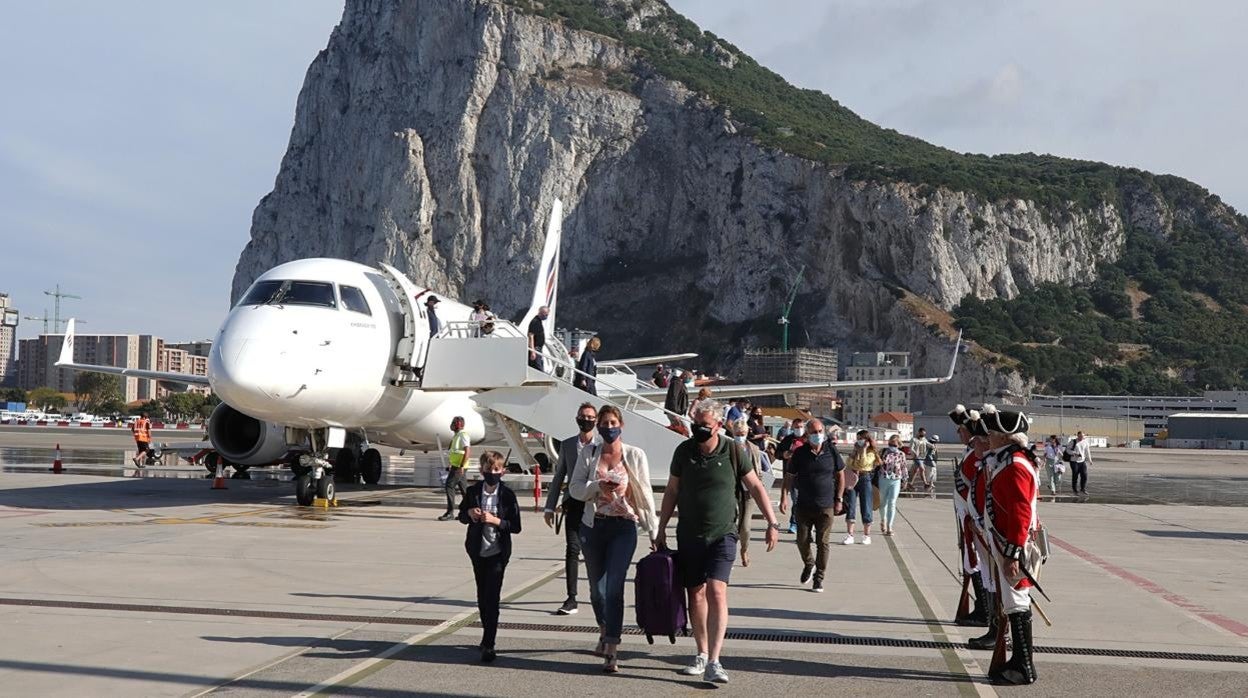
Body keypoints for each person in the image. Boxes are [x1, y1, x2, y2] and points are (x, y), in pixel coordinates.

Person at [658, 400, 780, 684]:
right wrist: (660, 527)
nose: (698, 430)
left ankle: (714, 659)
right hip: (689, 533)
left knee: (716, 590)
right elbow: (672, 490)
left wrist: (772, 523)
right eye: (695, 425)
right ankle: (700, 653)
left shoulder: (733, 450)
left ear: (718, 426)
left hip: (723, 533)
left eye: (704, 426)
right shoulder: (684, 451)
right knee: (696, 594)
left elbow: (755, 486)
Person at [568, 405, 657, 673]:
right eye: (604, 423)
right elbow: (575, 489)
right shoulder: (590, 452)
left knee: (615, 588)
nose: (608, 427)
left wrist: (654, 530)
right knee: (598, 591)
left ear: (621, 424)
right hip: (594, 526)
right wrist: (597, 486)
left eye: (613, 422)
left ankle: (612, 648)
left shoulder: (634, 455)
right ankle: (604, 628)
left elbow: (646, 493)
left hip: (624, 527)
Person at [977, 407, 1042, 686]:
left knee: (1017, 602)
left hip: (1014, 545)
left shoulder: (1016, 465)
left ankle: (1024, 667)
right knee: (1015, 603)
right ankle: (1019, 662)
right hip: (1006, 542)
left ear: (1005, 438)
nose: (988, 438)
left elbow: (1020, 512)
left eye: (992, 434)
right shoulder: (1007, 461)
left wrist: (1013, 552)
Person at [458, 450, 522, 663]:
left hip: (497, 551)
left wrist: (496, 521)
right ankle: (487, 631)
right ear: (481, 470)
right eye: (488, 469)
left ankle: (489, 642)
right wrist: (469, 514)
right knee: (482, 597)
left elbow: (516, 526)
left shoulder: (507, 495)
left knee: (492, 597)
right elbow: (461, 514)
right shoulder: (474, 491)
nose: (492, 473)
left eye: (496, 469)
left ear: (502, 471)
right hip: (477, 550)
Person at [544, 402, 599, 616]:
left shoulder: (601, 444)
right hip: (573, 503)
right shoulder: (567, 445)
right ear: (577, 418)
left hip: (594, 502)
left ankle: (597, 593)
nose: (586, 420)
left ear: (595, 420)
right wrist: (550, 506)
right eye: (582, 416)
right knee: (572, 549)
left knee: (594, 551)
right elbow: (559, 477)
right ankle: (572, 597)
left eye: (590, 417)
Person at [780, 418, 844, 592]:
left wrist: (839, 499)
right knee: (802, 540)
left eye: (820, 431)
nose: (817, 435)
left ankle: (819, 577)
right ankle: (809, 563)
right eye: (814, 432)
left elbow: (840, 475)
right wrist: (784, 497)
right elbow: (790, 475)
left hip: (826, 505)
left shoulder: (831, 451)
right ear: (807, 435)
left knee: (822, 542)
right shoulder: (800, 453)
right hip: (804, 505)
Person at [949, 405, 990, 627]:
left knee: (977, 563)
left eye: (961, 429)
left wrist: (973, 516)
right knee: (971, 562)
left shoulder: (976, 451)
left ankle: (985, 612)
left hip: (974, 519)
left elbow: (977, 488)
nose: (958, 433)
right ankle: (981, 609)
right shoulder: (970, 450)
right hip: (967, 517)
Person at [729, 420, 768, 568]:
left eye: (743, 434)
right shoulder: (728, 447)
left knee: (745, 526)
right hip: (731, 492)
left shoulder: (754, 449)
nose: (740, 437)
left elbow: (760, 470)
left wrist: (759, 487)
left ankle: (744, 550)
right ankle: (729, 553)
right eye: (737, 434)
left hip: (748, 492)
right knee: (730, 525)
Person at [843, 430, 879, 545]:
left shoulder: (871, 452)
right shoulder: (855, 451)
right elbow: (848, 463)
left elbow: (864, 464)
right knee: (850, 505)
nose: (859, 441)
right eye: (858, 439)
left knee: (866, 505)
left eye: (861, 439)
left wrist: (863, 450)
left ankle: (867, 535)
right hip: (852, 477)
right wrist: (854, 453)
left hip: (865, 478)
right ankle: (850, 534)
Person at [438, 416, 471, 521]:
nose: (451, 425)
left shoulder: (462, 436)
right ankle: (467, 512)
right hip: (457, 466)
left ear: (457, 425)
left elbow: (467, 451)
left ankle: (450, 512)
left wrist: (461, 466)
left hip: (459, 467)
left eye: (453, 423)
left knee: (449, 486)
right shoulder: (457, 436)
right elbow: (455, 452)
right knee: (464, 490)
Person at [776, 417, 806, 533]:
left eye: (801, 427)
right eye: (797, 427)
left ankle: (802, 522)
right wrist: (784, 454)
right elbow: (777, 453)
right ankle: (794, 523)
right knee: (796, 499)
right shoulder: (788, 439)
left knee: (803, 500)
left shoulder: (807, 439)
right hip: (791, 474)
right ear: (792, 427)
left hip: (805, 475)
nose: (799, 429)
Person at [878, 434, 908, 537]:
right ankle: (883, 520)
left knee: (892, 502)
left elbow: (904, 467)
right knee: (883, 503)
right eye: (890, 444)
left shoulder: (901, 454)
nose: (892, 446)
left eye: (894, 444)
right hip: (883, 479)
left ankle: (889, 526)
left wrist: (905, 479)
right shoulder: (883, 452)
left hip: (896, 479)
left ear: (899, 444)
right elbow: (877, 463)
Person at [907, 427, 934, 491]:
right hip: (916, 457)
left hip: (922, 457)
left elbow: (927, 443)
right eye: (921, 434)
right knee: (922, 468)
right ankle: (925, 484)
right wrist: (915, 453)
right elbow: (911, 448)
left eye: (924, 434)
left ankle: (910, 484)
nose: (922, 436)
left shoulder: (924, 439)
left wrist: (932, 446)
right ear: (918, 433)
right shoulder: (913, 439)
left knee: (915, 471)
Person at [664, 370, 690, 435]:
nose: (689, 380)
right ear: (684, 376)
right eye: (689, 378)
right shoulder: (676, 383)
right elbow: (673, 397)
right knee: (683, 430)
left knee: (681, 430)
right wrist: (674, 412)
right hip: (674, 412)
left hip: (677, 412)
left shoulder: (680, 383)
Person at [1065, 431, 1091, 495]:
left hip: (1082, 461)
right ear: (1077, 435)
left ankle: (1083, 489)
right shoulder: (1073, 442)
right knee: (1075, 475)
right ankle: (1075, 489)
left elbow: (1087, 451)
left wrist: (1090, 460)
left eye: (1082, 436)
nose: (1081, 437)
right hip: (1074, 461)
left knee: (1084, 475)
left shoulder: (1085, 442)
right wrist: (1073, 453)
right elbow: (1067, 450)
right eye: (1080, 436)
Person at [527, 306, 549, 371]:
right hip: (536, 349)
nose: (546, 316)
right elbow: (531, 336)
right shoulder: (535, 322)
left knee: (540, 366)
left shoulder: (538, 321)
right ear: (541, 313)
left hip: (538, 349)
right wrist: (533, 351)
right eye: (546, 314)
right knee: (538, 368)